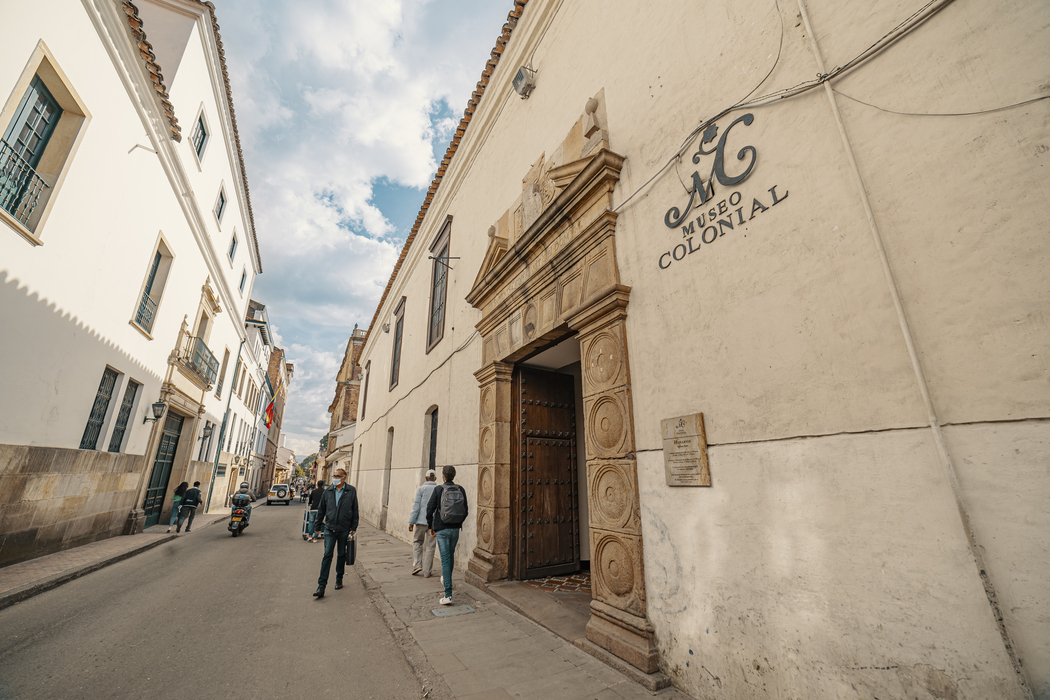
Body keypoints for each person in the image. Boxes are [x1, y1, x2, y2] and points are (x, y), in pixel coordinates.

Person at [312, 469, 358, 598]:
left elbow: (355, 509)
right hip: (329, 528)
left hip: (344, 528)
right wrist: (317, 525)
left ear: (344, 478)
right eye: (334, 476)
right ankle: (321, 586)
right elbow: (321, 509)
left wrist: (354, 526)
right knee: (327, 555)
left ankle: (339, 578)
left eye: (338, 476)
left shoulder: (351, 491)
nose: (335, 478)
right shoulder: (328, 491)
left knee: (342, 554)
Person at [427, 465, 468, 605]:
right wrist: (458, 522)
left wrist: (431, 526)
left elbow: (429, 509)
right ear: (454, 475)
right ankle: (446, 579)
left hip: (441, 529)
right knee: (450, 557)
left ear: (443, 476)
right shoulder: (460, 489)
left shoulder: (438, 489)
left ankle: (448, 595)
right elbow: (465, 510)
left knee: (445, 559)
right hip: (455, 529)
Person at [408, 470, 438, 577]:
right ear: (435, 479)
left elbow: (416, 507)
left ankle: (417, 565)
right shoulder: (438, 489)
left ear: (426, 478)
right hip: (433, 524)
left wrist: (411, 522)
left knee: (417, 542)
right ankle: (427, 571)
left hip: (420, 522)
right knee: (430, 546)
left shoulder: (421, 489)